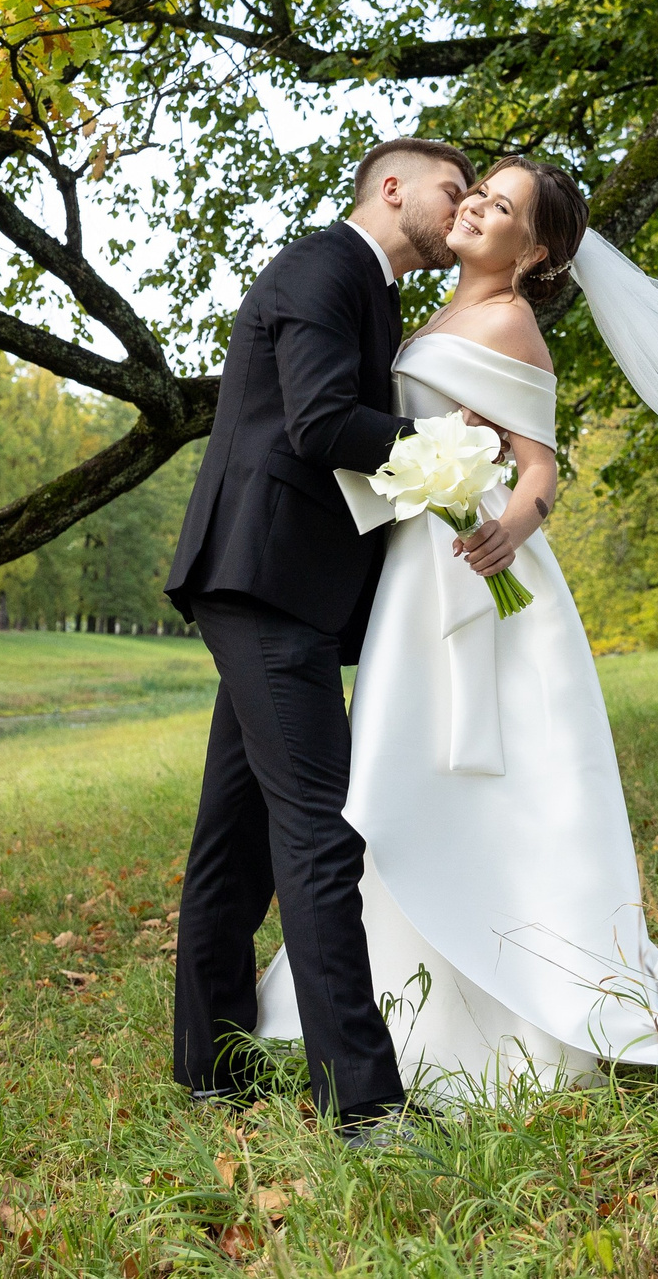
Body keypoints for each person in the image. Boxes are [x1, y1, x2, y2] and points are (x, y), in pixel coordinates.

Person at [257, 158, 658, 1100]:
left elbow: (538, 470)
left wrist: (505, 531)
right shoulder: (422, 316)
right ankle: (395, 1001)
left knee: (493, 780)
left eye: (504, 205)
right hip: (415, 577)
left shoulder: (511, 323)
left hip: (482, 573)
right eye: (478, 192)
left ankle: (516, 1001)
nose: (477, 204)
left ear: (538, 249)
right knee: (398, 773)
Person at [164, 136, 473, 1134]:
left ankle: (211, 1066)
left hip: (284, 586)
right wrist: (449, 456)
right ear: (392, 188)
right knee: (318, 829)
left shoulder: (371, 288)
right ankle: (363, 1102)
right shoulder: (322, 264)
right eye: (450, 190)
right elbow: (319, 421)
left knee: (237, 840)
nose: (462, 208)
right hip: (261, 580)